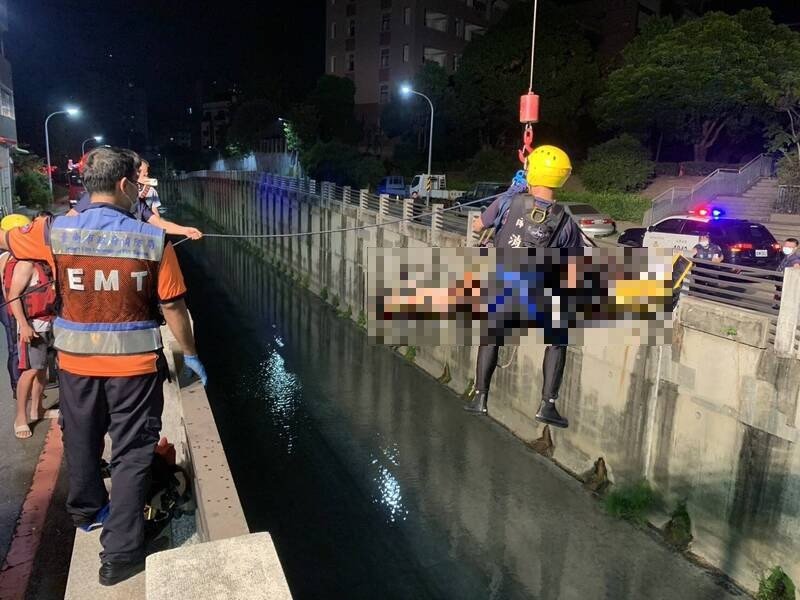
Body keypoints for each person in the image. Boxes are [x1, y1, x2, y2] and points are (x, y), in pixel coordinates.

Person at [0, 147, 207, 585]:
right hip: (134, 370)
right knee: (132, 454)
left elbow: (8, 241)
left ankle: (87, 511)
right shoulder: (152, 241)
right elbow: (173, 307)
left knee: (80, 437)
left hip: (75, 365)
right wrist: (189, 353)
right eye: (137, 184)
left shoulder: (53, 231)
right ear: (125, 184)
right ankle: (120, 555)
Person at [67, 156, 202, 241]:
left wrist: (184, 230)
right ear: (124, 183)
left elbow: (158, 223)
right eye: (136, 179)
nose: (139, 183)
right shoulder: (92, 198)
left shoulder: (138, 202)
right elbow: (69, 221)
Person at [4, 231, 57, 439]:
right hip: (32, 326)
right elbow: (13, 296)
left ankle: (38, 409)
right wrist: (24, 325)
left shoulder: (45, 263)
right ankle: (20, 417)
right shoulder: (25, 264)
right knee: (30, 371)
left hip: (48, 322)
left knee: (42, 369)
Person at [0, 214, 31, 396]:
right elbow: (9, 292)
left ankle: (21, 385)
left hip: (9, 304)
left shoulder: (8, 255)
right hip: (9, 305)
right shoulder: (8, 257)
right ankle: (17, 387)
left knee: (17, 347)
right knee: (15, 347)